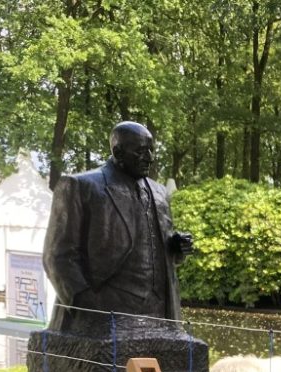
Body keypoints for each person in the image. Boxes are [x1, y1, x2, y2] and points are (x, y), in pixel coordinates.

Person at [42, 121, 191, 333]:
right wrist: (87, 308)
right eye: (141, 151)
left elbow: (159, 254)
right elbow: (58, 256)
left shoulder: (160, 193)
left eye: (151, 150)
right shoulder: (81, 186)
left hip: (158, 317)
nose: (149, 157)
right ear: (118, 152)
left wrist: (176, 249)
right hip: (105, 315)